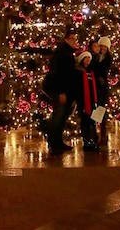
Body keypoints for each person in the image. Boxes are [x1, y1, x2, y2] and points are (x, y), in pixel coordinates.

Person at [43, 26, 79, 155]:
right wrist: (61, 92)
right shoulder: (62, 53)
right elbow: (58, 74)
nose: (74, 41)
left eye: (75, 39)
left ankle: (57, 142)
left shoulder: (67, 52)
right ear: (66, 39)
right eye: (71, 39)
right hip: (60, 90)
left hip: (64, 90)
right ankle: (54, 143)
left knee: (61, 117)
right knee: (58, 116)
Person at [75, 51, 100, 152]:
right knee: (85, 122)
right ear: (82, 59)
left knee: (92, 122)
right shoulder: (78, 72)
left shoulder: (91, 72)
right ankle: (87, 142)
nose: (88, 61)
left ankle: (93, 141)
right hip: (83, 102)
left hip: (92, 101)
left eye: (89, 59)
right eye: (86, 58)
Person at [90, 35, 112, 147]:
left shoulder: (107, 58)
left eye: (104, 47)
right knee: (95, 110)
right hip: (95, 86)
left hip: (102, 88)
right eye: (101, 46)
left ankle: (103, 135)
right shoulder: (95, 57)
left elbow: (102, 70)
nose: (102, 48)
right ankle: (96, 135)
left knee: (101, 110)